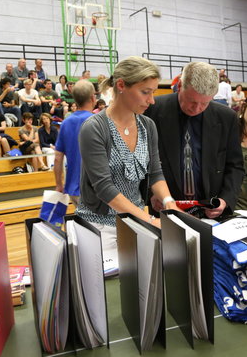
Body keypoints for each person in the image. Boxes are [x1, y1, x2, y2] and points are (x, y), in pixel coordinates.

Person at [76, 56, 179, 249]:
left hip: (136, 221)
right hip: (100, 225)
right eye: (145, 92)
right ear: (121, 85)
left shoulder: (148, 126)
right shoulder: (94, 128)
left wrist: (169, 202)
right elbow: (104, 188)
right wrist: (151, 220)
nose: (152, 101)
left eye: (153, 92)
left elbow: (155, 172)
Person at [146, 61, 244, 219]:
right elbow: (141, 161)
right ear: (180, 85)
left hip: (210, 212)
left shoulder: (227, 117)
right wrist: (151, 193)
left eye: (204, 103)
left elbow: (235, 166)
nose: (196, 108)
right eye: (191, 101)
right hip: (164, 209)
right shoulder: (152, 110)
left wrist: (225, 200)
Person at [54, 80, 95, 206]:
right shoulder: (98, 121)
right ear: (93, 98)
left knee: (81, 224)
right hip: (96, 189)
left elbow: (57, 158)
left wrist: (59, 184)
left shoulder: (66, 123)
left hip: (73, 188)